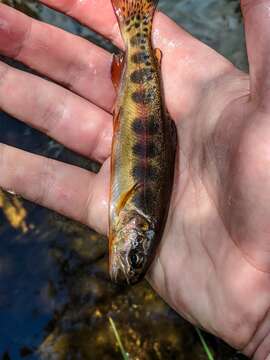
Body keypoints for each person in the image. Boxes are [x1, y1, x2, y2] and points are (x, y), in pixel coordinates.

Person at [0, 0, 269, 358]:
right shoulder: (131, 214)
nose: (124, 262)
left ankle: (136, 29)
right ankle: (137, 27)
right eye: (134, 258)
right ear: (135, 232)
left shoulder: (132, 219)